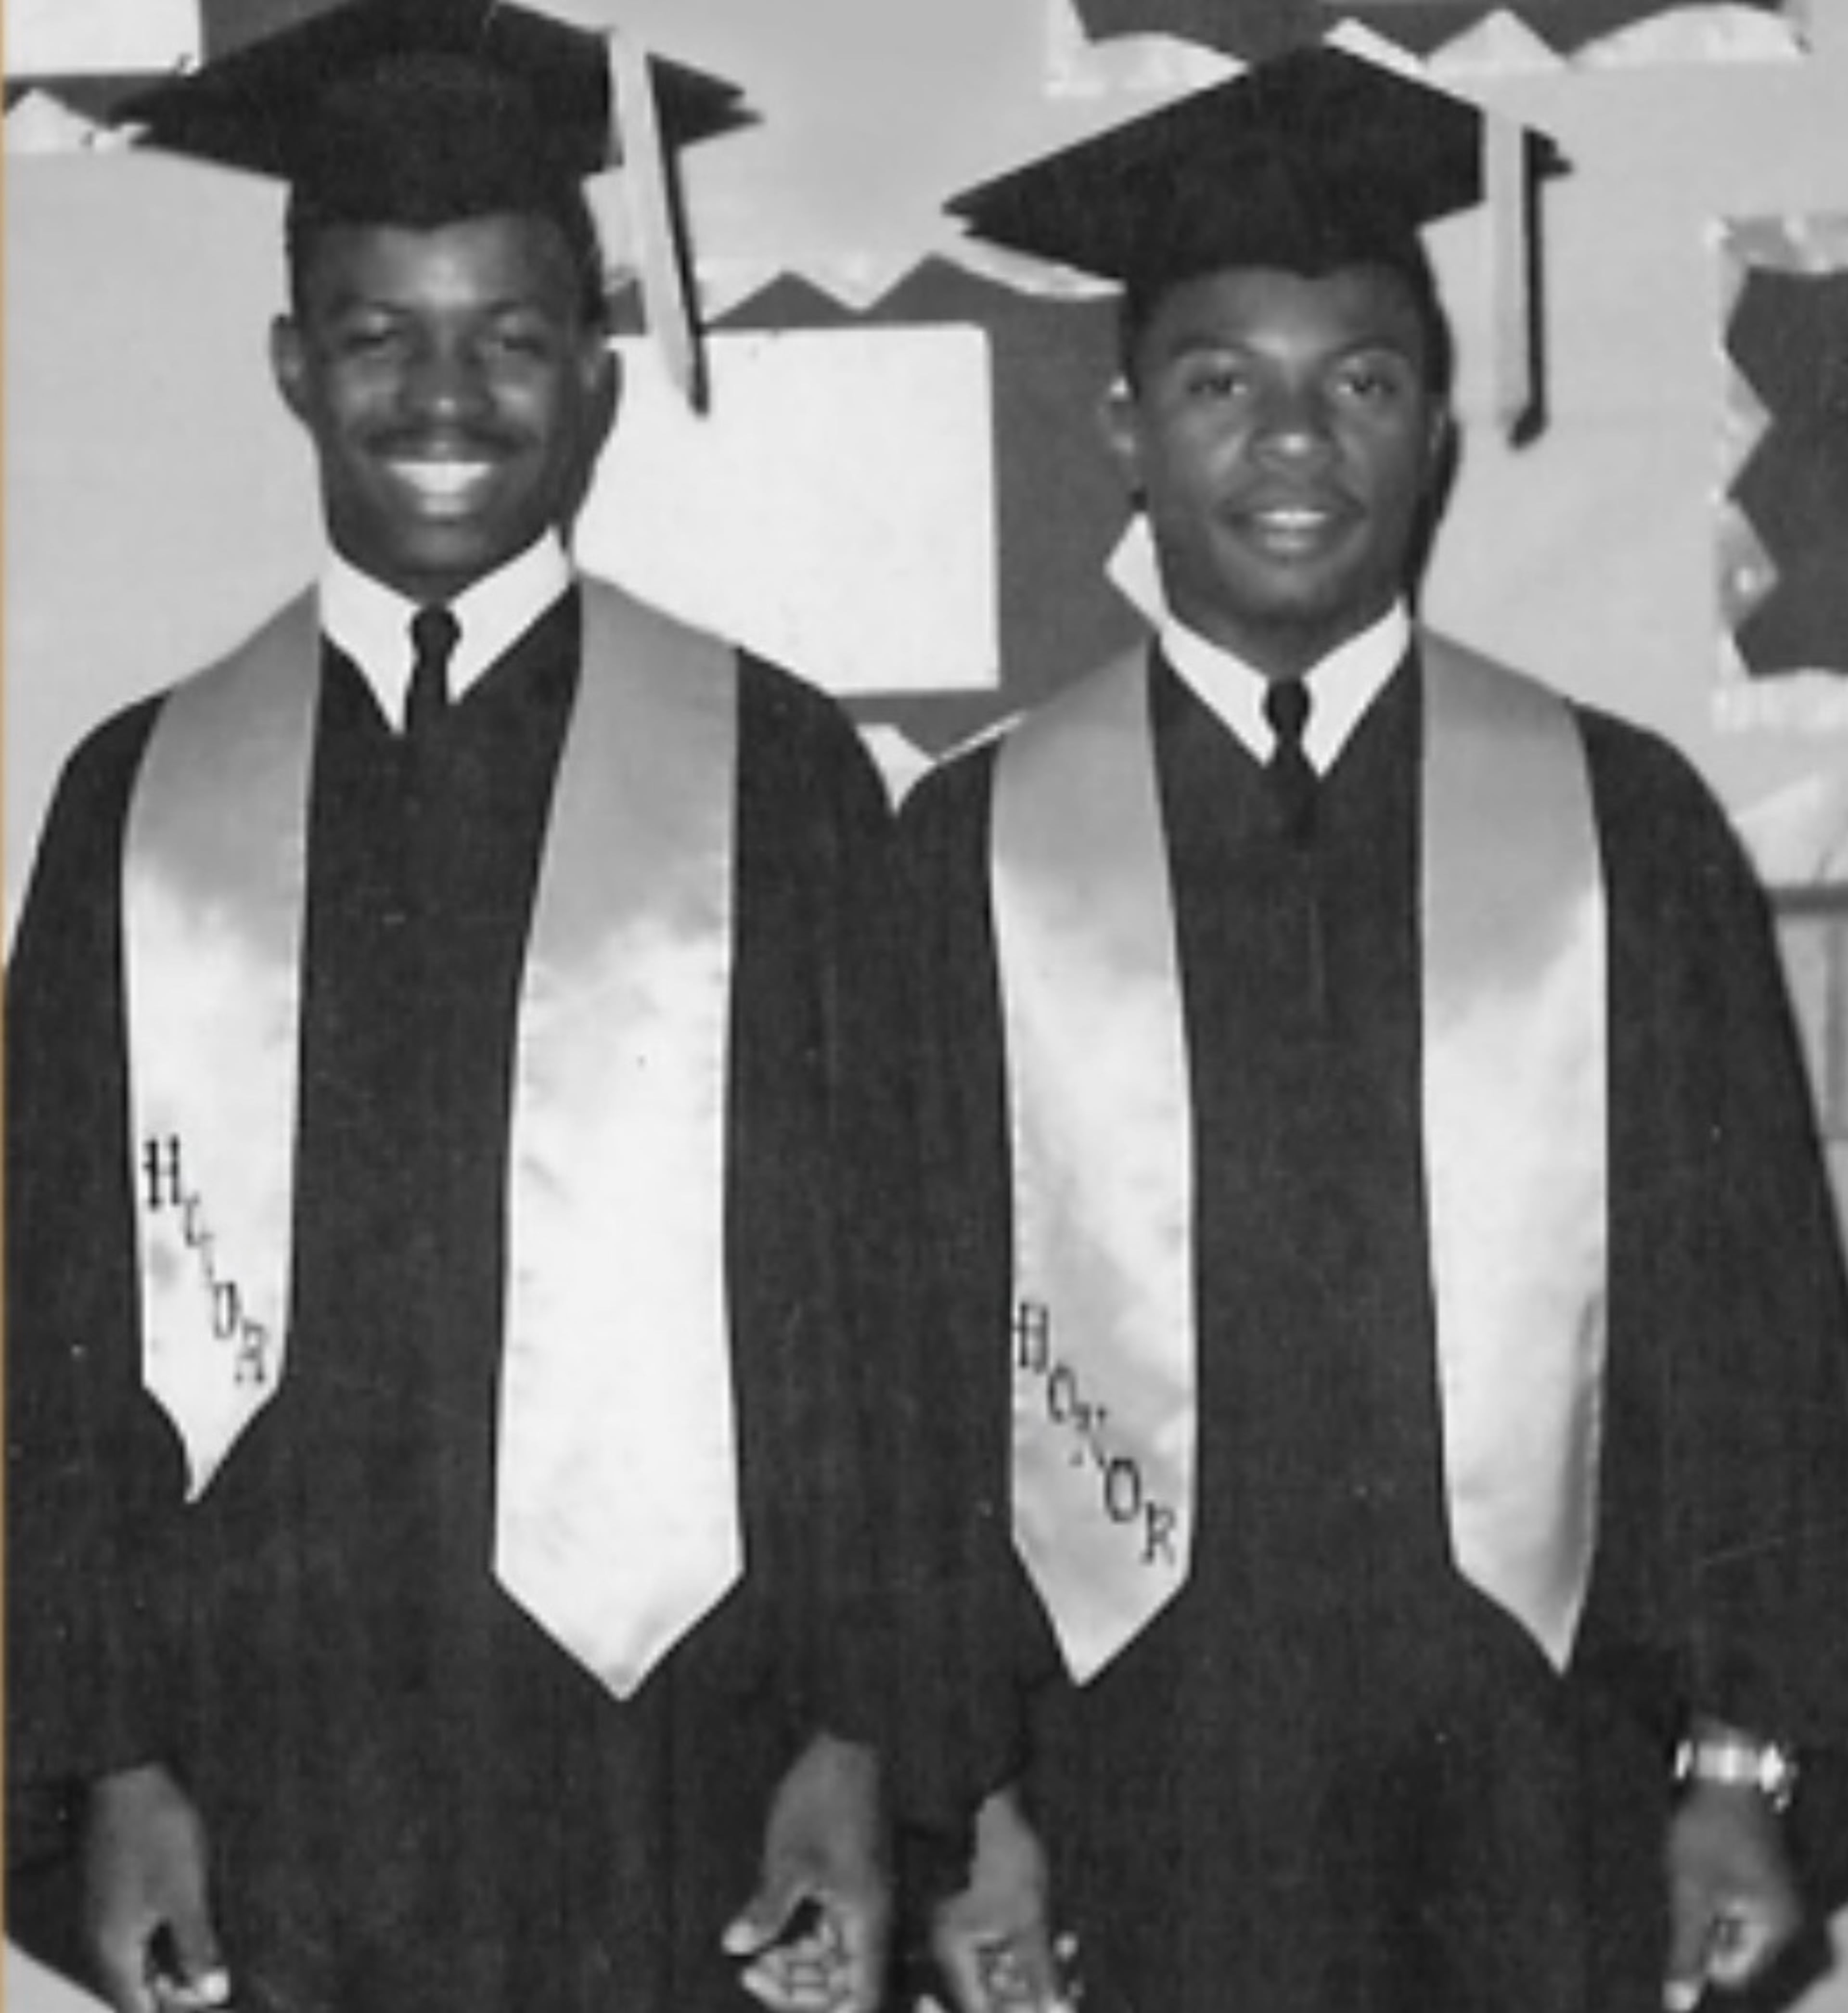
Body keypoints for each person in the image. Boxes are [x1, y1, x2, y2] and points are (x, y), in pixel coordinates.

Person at [888, 43, 1848, 2013]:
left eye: (1362, 384)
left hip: (1551, 1780)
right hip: (1129, 1781)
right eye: (1219, 385)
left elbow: (1751, 1333)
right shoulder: (970, 850)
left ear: (1434, 433)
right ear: (1125, 428)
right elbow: (893, 1377)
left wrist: (1747, 1761)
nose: (1294, 443)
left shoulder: (1620, 822)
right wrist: (962, 1803)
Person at [4, 7, 897, 2012]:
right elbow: (46, 1319)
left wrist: (857, 1737)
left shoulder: (776, 771)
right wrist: (109, 1763)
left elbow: (875, 1304)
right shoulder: (136, 797)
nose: (443, 392)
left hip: (681, 1756)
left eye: (508, 334)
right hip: (266, 1769)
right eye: (378, 334)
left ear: (593, 370)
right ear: (290, 363)